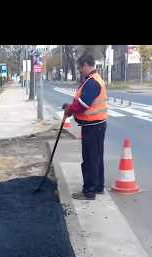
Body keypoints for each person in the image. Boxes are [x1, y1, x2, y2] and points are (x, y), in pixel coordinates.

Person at [62, 53, 108, 200]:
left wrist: (70, 110)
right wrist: (71, 107)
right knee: (97, 157)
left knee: (90, 159)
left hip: (93, 126)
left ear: (86, 65)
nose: (80, 71)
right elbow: (82, 102)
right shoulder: (94, 79)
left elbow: (83, 104)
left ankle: (89, 191)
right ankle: (99, 186)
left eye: (80, 68)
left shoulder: (92, 82)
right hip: (98, 125)